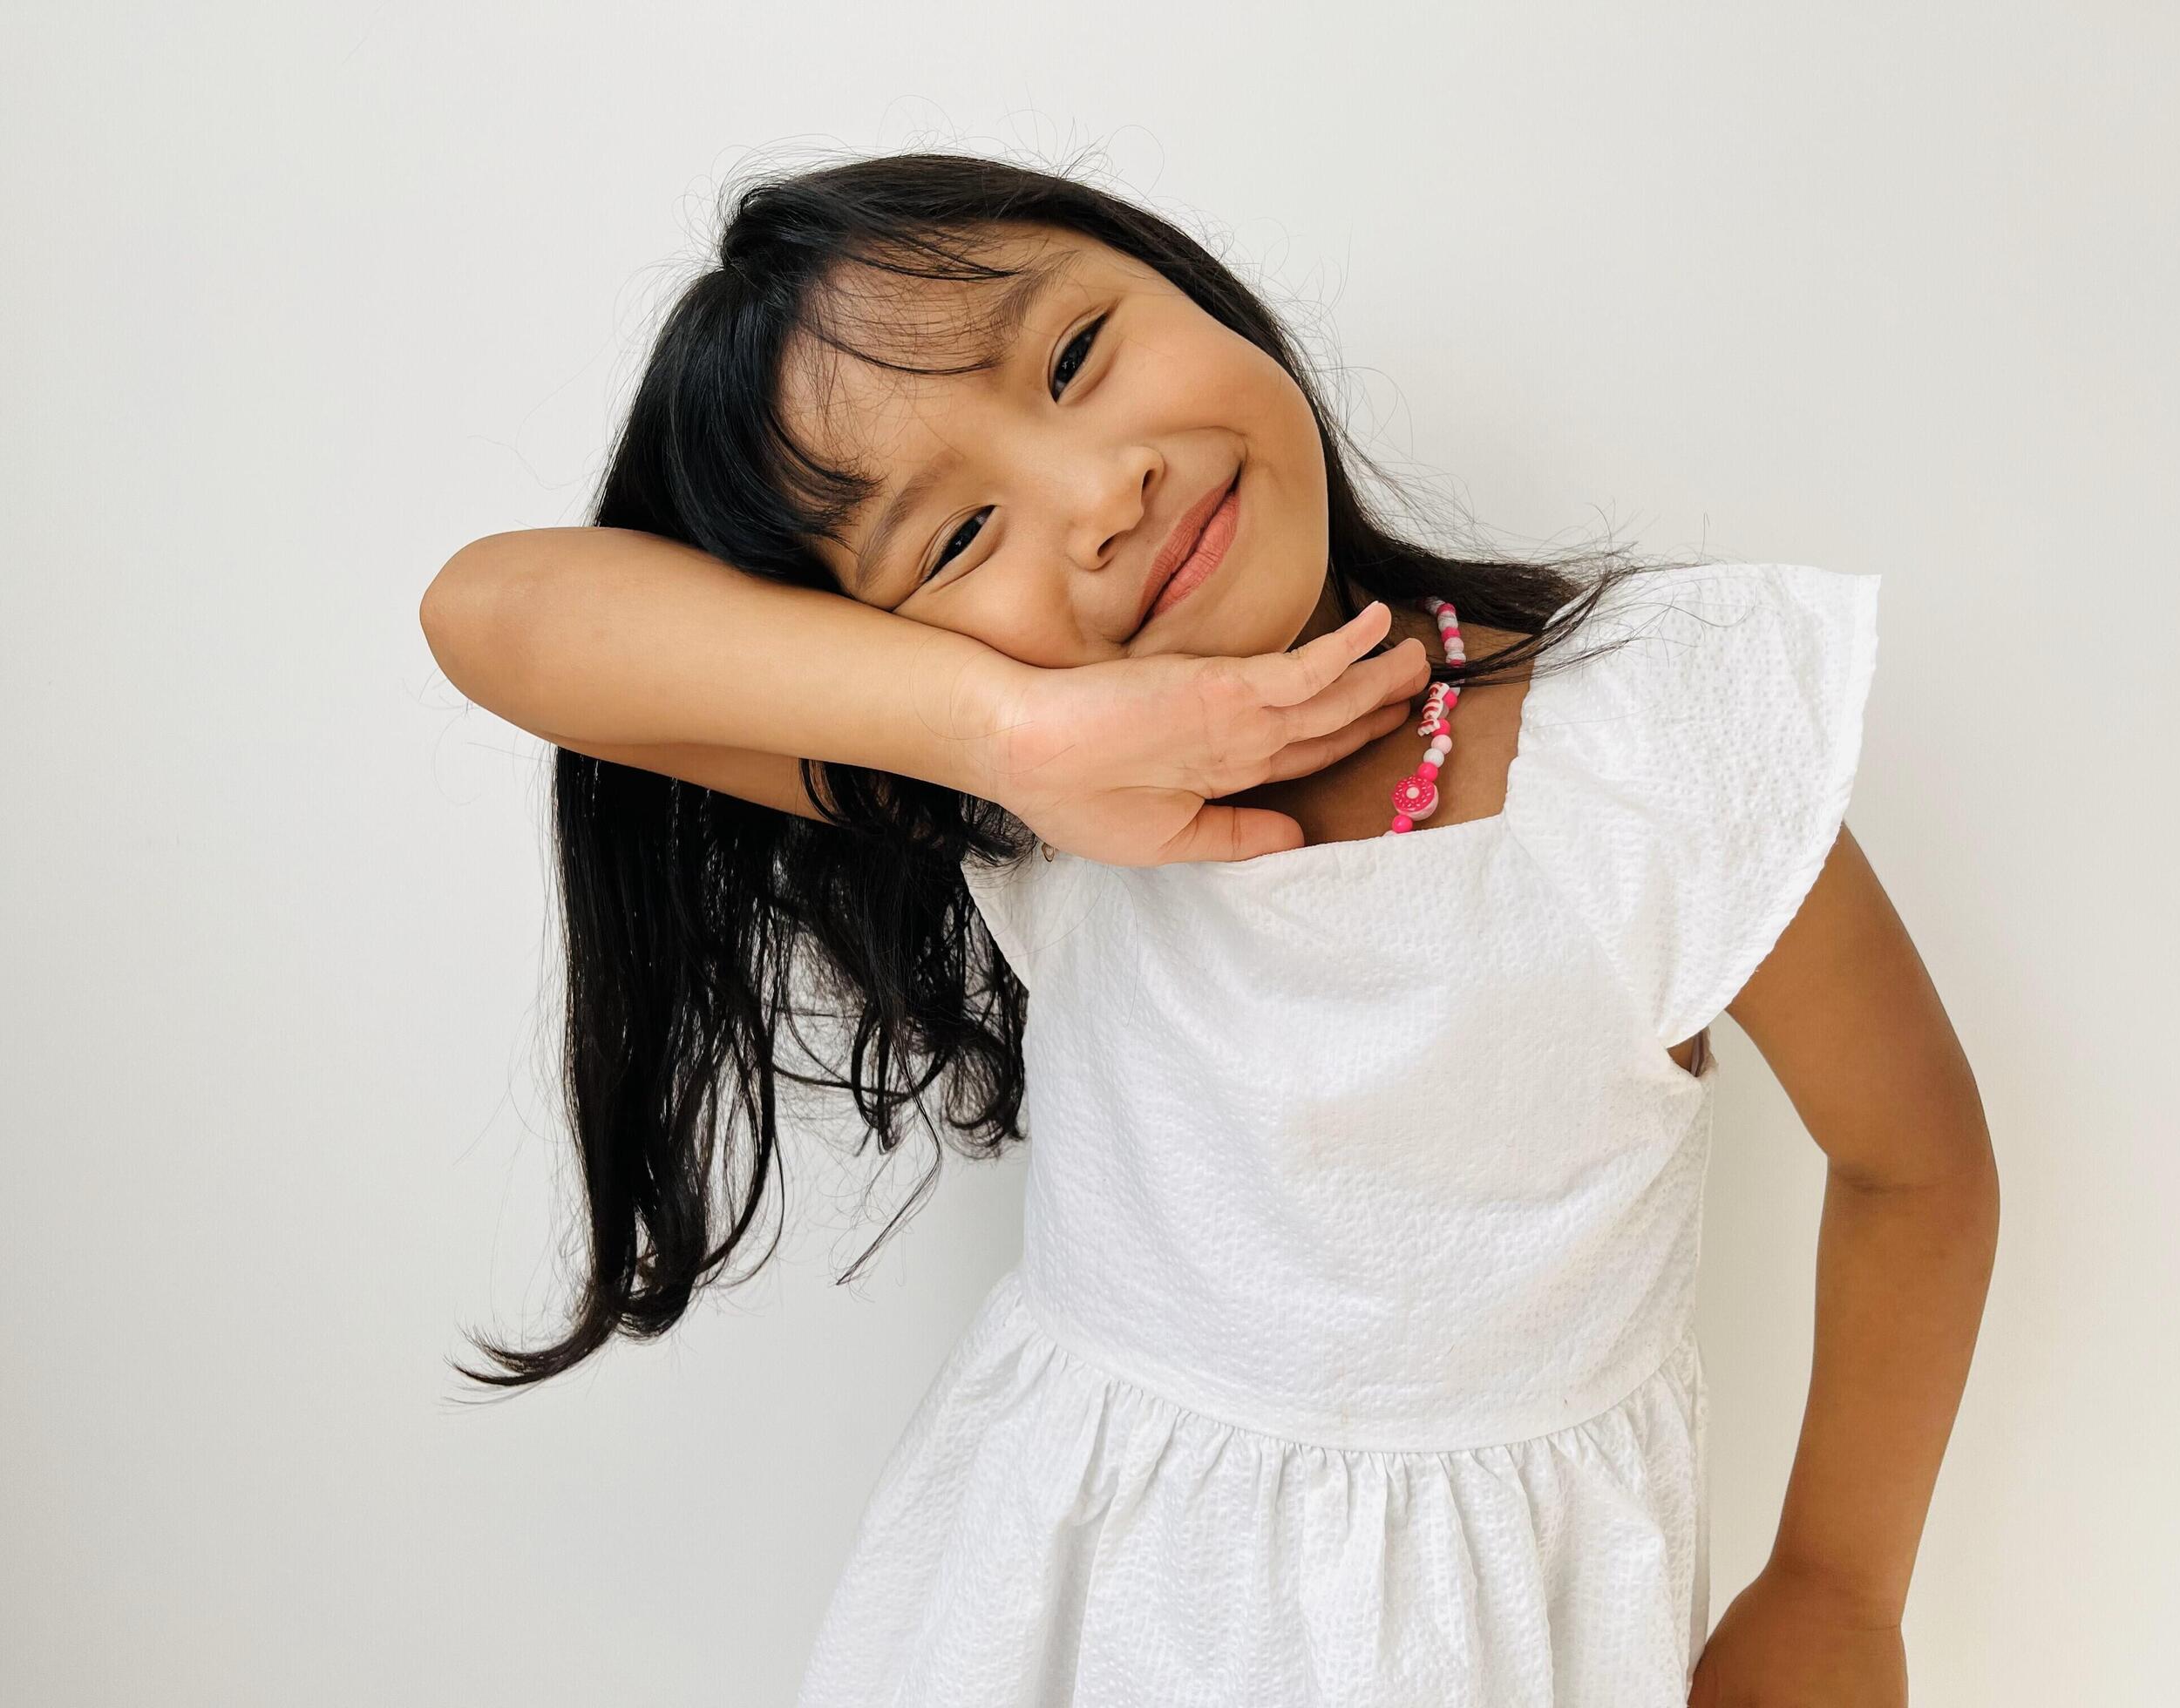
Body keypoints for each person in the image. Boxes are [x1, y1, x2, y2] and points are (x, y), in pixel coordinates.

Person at [419, 151, 1999, 1708]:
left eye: (1076, 356)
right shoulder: (1023, 792)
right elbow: (490, 616)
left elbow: (1911, 1163)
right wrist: (1006, 740)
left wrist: (1834, 1591)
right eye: (956, 540)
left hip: (1495, 1631)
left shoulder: (1652, 749)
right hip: (1067, 1601)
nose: (1104, 495)